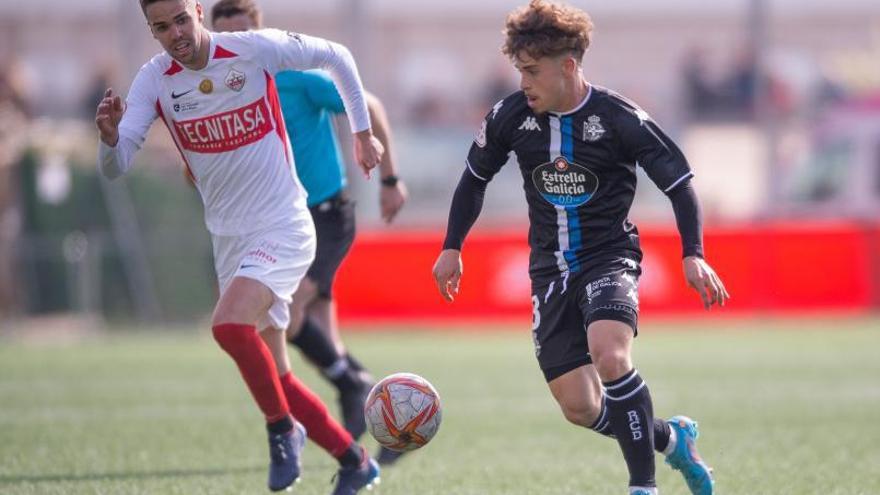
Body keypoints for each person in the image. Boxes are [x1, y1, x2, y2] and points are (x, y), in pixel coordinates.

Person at [431, 2, 729, 495]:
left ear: (567, 66)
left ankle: (643, 487)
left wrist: (693, 252)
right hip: (549, 271)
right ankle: (672, 439)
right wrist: (451, 246)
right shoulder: (510, 116)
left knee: (610, 355)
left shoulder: (619, 119)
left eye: (531, 71)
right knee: (582, 408)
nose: (523, 81)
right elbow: (473, 179)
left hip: (609, 257)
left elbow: (679, 182)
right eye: (519, 70)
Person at [95, 1, 383, 492]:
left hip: (284, 226)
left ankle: (280, 429)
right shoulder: (154, 79)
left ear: (198, 12)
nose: (175, 35)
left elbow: (338, 55)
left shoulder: (252, 51)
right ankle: (356, 462)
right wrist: (107, 138)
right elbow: (117, 165)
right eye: (161, 27)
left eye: (181, 20)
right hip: (229, 240)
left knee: (228, 325)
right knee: (279, 380)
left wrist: (362, 133)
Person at [209, 0, 409, 466]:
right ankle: (378, 423)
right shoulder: (221, 89)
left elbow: (370, 103)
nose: (235, 49)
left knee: (288, 309)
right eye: (225, 41)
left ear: (260, 34)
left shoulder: (293, 77)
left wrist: (390, 179)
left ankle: (351, 385)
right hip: (273, 219)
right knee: (318, 334)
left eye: (243, 37)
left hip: (323, 214)